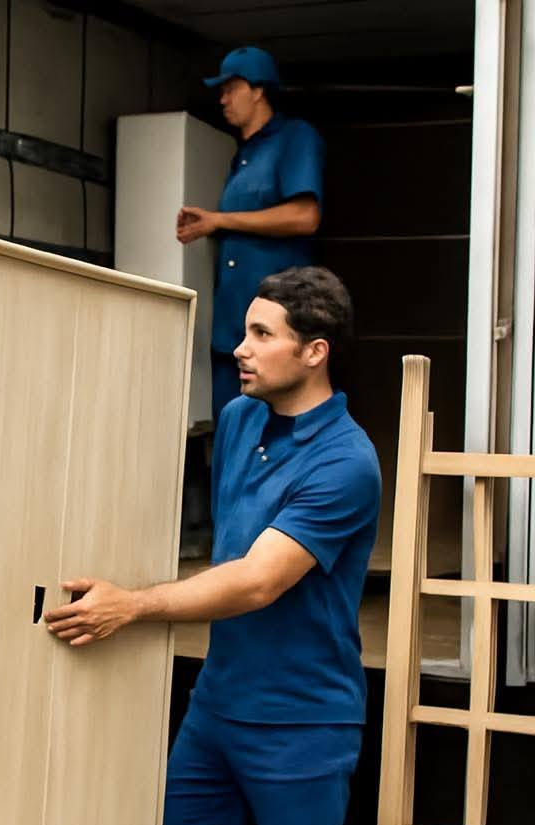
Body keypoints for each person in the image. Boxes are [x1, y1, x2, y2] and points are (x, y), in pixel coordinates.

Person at [54, 267, 381, 825]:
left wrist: (135, 605)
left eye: (262, 334)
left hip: (303, 722)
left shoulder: (347, 462)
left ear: (315, 352)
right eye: (245, 330)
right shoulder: (239, 421)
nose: (240, 348)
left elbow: (257, 580)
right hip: (218, 708)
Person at [178, 45, 324, 559]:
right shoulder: (238, 154)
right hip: (233, 331)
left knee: (278, 436)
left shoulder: (294, 138)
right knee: (233, 438)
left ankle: (274, 551)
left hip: (278, 330)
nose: (223, 99)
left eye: (231, 88)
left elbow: (305, 217)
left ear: (259, 90)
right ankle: (231, 551)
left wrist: (220, 221)